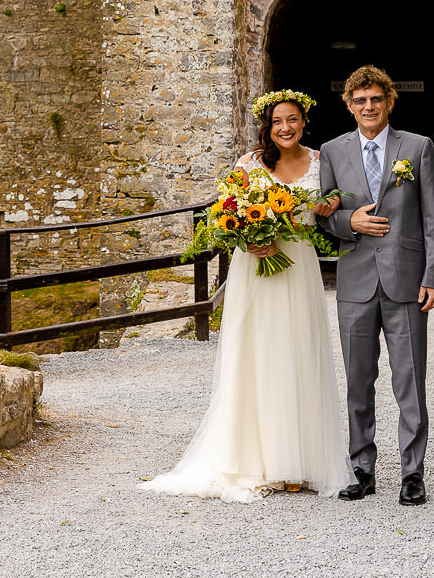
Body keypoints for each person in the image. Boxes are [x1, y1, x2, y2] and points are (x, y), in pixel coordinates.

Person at [143, 90, 349, 502]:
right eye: (277, 122)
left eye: (292, 120)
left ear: (303, 122)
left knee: (299, 355)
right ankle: (258, 461)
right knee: (257, 357)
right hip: (257, 270)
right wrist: (248, 239)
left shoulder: (322, 162)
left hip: (299, 266)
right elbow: (227, 213)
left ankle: (300, 463)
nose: (285, 128)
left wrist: (333, 202)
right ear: (267, 127)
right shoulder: (249, 164)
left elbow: (335, 200)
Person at [312, 64, 434, 506]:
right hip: (355, 281)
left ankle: (412, 474)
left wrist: (433, 276)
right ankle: (362, 468)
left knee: (409, 379)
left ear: (389, 102)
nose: (369, 107)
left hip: (407, 281)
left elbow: (433, 220)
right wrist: (348, 221)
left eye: (376, 99)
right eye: (360, 100)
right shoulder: (331, 151)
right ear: (349, 106)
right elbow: (323, 215)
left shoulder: (419, 147)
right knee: (358, 380)